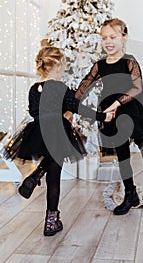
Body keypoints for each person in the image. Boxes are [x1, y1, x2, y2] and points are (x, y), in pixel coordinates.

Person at [4, 43, 112, 236]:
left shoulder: (33, 88)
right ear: (57, 67)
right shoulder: (60, 87)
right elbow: (79, 108)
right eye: (62, 68)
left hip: (38, 131)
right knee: (54, 178)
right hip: (58, 130)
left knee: (51, 163)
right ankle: (50, 221)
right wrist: (103, 116)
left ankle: (36, 175)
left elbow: (33, 111)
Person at [73, 18, 143, 215]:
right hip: (109, 110)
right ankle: (131, 193)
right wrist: (70, 107)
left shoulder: (129, 61)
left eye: (113, 37)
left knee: (127, 118)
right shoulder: (100, 65)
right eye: (104, 38)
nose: (108, 41)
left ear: (124, 37)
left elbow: (136, 87)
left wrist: (116, 103)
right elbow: (85, 85)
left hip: (131, 104)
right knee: (122, 154)